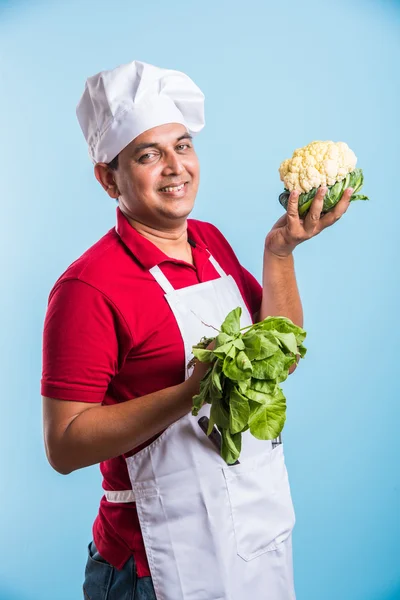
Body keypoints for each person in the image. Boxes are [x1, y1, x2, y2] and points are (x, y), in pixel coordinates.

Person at [41, 60, 353, 600]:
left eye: (182, 146)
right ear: (107, 177)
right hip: (152, 566)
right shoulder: (88, 287)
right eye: (147, 154)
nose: (174, 167)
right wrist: (191, 392)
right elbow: (64, 446)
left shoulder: (210, 243)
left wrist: (280, 253)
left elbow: (280, 360)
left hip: (254, 537)